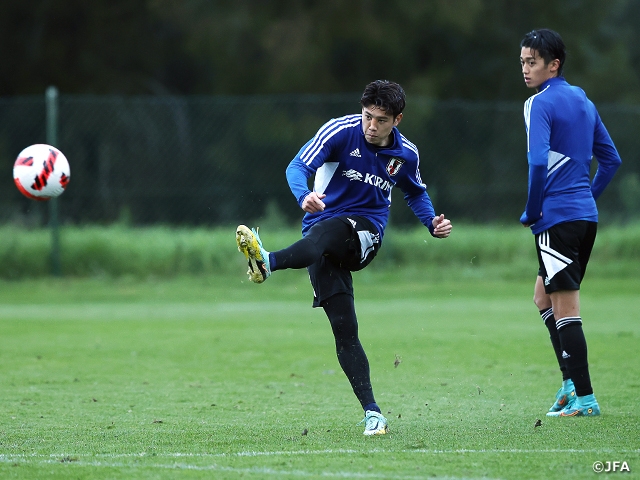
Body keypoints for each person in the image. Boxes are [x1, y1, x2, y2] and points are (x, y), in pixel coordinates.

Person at [236, 80, 452, 435]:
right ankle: (373, 413)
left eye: (381, 120)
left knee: (325, 233)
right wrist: (303, 194)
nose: (371, 125)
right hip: (320, 234)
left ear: (397, 119)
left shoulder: (406, 154)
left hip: (365, 233)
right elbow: (296, 166)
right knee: (344, 330)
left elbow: (415, 191)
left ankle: (267, 262)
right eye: (367, 116)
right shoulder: (338, 131)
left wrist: (432, 222)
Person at [519, 29, 621, 417]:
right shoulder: (583, 100)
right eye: (523, 61)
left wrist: (533, 209)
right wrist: (586, 200)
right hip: (583, 218)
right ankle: (568, 385)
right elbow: (611, 161)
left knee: (566, 309)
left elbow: (536, 161)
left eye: (532, 62)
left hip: (557, 219)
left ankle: (587, 399)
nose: (526, 69)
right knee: (543, 297)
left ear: (553, 64)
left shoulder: (538, 103)